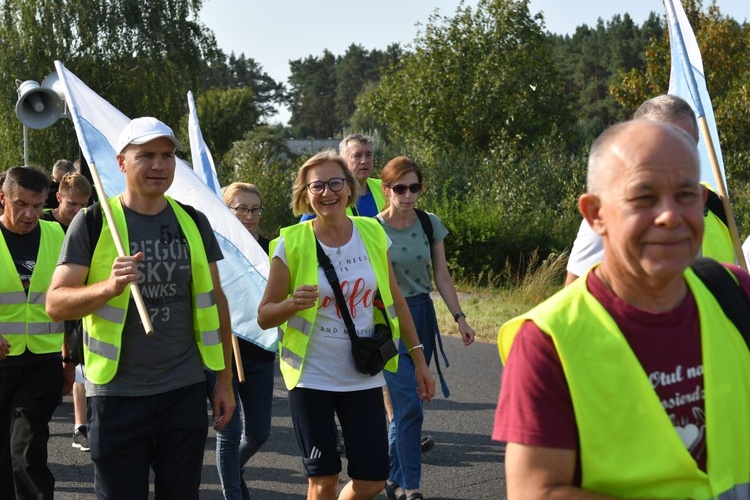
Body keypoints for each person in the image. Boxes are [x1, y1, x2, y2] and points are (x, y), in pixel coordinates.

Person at [493, 120, 750, 498]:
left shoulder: (733, 291)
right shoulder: (549, 339)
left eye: (685, 195)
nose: (670, 216)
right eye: (644, 197)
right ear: (595, 214)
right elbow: (538, 492)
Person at [45, 117, 236, 499]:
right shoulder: (95, 221)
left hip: (183, 390)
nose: (159, 165)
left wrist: (225, 381)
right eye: (146, 155)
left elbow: (217, 300)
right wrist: (108, 287)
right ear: (121, 163)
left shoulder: (193, 221)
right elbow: (55, 304)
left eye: (167, 156)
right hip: (116, 395)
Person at [257, 149, 435, 500]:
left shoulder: (372, 232)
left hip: (362, 374)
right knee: (323, 481)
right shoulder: (291, 242)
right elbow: (264, 315)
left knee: (371, 480)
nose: (328, 192)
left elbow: (396, 299)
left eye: (335, 183)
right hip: (311, 377)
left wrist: (418, 360)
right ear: (305, 194)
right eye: (317, 185)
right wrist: (293, 304)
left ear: (349, 187)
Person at [376, 156, 475, 500]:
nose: (408, 194)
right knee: (410, 407)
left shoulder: (429, 223)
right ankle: (411, 486)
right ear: (386, 189)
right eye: (400, 188)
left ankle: (391, 476)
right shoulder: (371, 228)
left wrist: (459, 317)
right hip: (387, 322)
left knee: (408, 404)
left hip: (421, 315)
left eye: (414, 187)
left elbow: (442, 275)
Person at [565, 94, 735, 285]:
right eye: (661, 145)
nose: (675, 156)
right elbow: (574, 295)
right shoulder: (611, 213)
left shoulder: (715, 205)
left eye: (686, 144)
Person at [0, 165, 70, 499]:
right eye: (21, 205)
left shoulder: (58, 236)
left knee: (27, 451)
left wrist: (70, 363)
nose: (29, 214)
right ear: (3, 198)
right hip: (2, 362)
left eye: (37, 206)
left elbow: (72, 303)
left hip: (43, 363)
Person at [210, 182, 275, 499]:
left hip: (260, 352)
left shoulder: (271, 249)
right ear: (225, 210)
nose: (250, 216)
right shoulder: (213, 249)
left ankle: (233, 470)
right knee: (229, 431)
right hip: (222, 351)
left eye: (255, 209)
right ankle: (233, 493)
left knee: (260, 433)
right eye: (242, 209)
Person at [41, 172, 93, 452]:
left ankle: (80, 427)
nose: (78, 211)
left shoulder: (87, 224)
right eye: (72, 204)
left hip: (75, 305)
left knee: (77, 371)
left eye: (83, 205)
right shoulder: (42, 224)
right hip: (42, 312)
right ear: (58, 197)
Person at [301, 134, 386, 220]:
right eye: (357, 156)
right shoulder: (329, 194)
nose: (364, 161)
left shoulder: (384, 188)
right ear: (343, 161)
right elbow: (304, 230)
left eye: (368, 155)